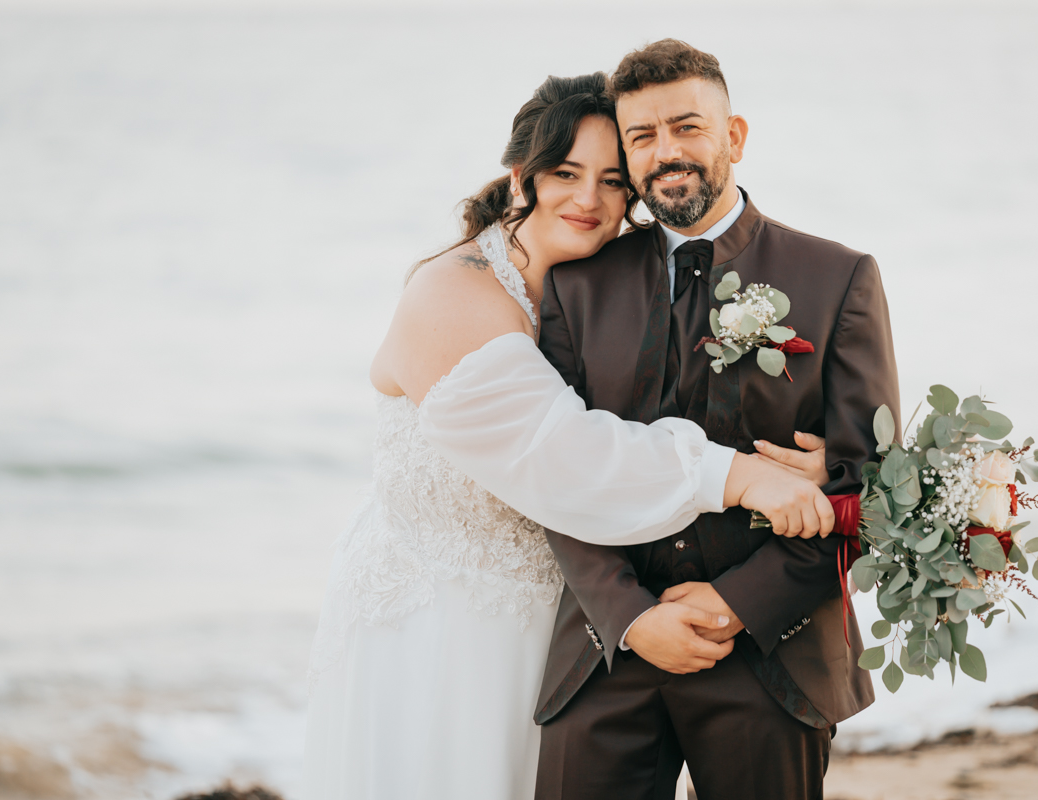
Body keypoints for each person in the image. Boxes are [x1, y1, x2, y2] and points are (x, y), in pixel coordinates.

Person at [302, 72, 834, 800]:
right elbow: (563, 454)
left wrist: (808, 460)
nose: (588, 199)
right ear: (521, 176)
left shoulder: (601, 291)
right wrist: (743, 478)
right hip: (439, 634)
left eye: (612, 181)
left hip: (562, 637)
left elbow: (680, 407)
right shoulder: (452, 293)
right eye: (565, 173)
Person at [532, 41, 900, 800]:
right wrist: (630, 616)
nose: (665, 152)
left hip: (774, 655)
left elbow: (871, 490)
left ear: (734, 135)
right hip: (608, 651)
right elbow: (556, 470)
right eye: (642, 136)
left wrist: (738, 604)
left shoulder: (838, 279)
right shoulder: (575, 288)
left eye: (687, 127)